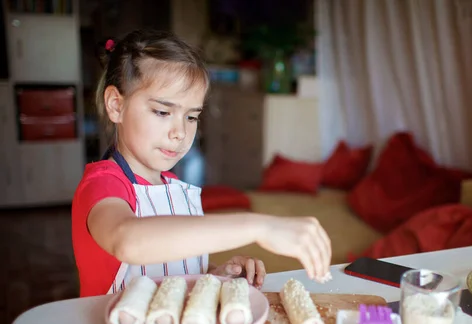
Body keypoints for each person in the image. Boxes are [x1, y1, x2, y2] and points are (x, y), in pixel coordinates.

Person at [71, 29, 332, 297]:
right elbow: (129, 241)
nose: (180, 132)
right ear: (116, 105)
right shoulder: (103, 184)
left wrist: (214, 274)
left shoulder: (175, 188)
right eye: (163, 112)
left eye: (191, 117)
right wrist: (261, 227)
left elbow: (172, 270)